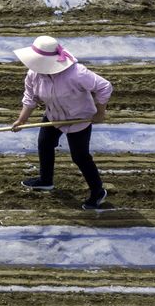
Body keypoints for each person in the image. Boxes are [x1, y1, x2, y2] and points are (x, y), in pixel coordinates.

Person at [8, 35, 113, 211]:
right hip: (53, 116)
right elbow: (30, 97)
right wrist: (22, 119)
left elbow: (104, 87)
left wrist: (100, 112)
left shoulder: (77, 73)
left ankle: (97, 191)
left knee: (80, 157)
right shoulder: (34, 74)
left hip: (79, 118)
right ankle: (45, 181)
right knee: (44, 144)